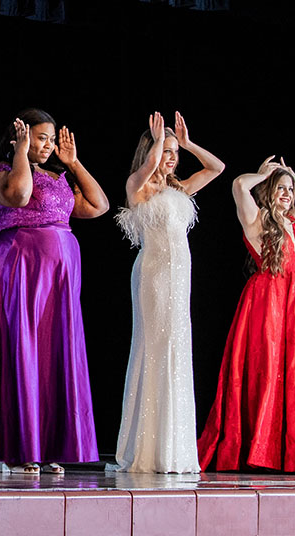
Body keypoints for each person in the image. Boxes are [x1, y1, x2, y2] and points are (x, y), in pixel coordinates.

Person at [0, 109, 109, 475]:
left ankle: (46, 444)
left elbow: (99, 206)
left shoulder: (59, 177)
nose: (49, 144)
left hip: (58, 276)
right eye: (41, 137)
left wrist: (75, 162)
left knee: (51, 356)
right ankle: (20, 449)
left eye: (51, 139)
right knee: (20, 351)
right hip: (20, 267)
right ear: (20, 138)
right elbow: (19, 196)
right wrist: (21, 153)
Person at [197, 156, 295, 471]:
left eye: (290, 189)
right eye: (280, 188)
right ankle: (264, 450)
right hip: (267, 301)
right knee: (269, 370)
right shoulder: (255, 218)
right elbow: (239, 185)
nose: (286, 193)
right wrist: (261, 175)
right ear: (269, 190)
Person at [114, 111, 223, 473]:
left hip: (180, 281)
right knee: (155, 350)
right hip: (154, 277)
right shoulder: (138, 185)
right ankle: (147, 449)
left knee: (177, 353)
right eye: (166, 150)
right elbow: (144, 172)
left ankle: (173, 447)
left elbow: (216, 168)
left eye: (175, 152)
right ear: (151, 150)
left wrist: (188, 144)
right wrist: (158, 145)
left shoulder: (178, 188)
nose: (172, 156)